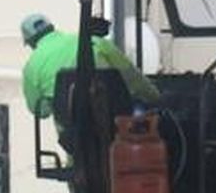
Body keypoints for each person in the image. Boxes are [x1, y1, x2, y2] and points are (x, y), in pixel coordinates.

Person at [19, 11, 161, 119]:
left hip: (73, 138)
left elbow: (40, 111)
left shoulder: (31, 68)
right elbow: (132, 78)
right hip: (119, 125)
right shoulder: (95, 42)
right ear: (52, 28)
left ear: (30, 42)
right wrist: (156, 98)